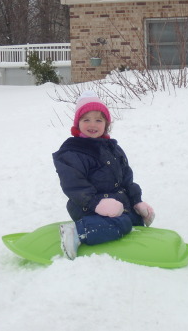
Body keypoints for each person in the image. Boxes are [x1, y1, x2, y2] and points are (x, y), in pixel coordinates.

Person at [52, 91, 155, 260]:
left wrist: (137, 202)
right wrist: (96, 203)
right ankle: (76, 232)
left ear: (106, 124)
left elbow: (126, 178)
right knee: (123, 223)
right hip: (87, 207)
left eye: (98, 120)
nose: (93, 124)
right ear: (78, 123)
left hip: (117, 206)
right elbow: (74, 184)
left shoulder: (112, 149)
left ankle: (128, 220)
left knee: (133, 219)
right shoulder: (73, 151)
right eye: (86, 120)